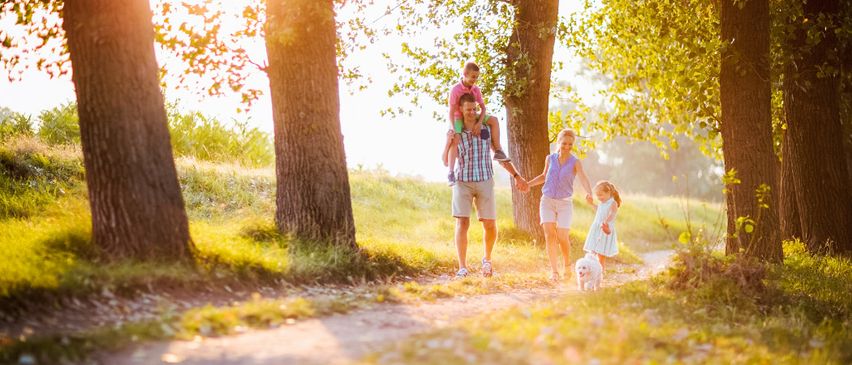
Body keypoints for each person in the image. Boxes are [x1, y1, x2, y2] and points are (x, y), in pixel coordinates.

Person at [450, 93, 527, 278]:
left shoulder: (485, 129)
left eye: (474, 108)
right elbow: (447, 159)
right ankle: (462, 267)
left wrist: (517, 175)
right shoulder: (457, 133)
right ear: (461, 109)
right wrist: (448, 142)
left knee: (490, 224)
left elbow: (500, 155)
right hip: (463, 182)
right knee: (462, 222)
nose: (471, 112)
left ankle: (487, 259)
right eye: (468, 109)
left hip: (485, 180)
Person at [525, 129, 594, 281]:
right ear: (559, 142)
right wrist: (528, 184)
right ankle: (554, 271)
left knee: (562, 236)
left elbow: (582, 177)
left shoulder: (575, 162)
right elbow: (543, 176)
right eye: (564, 143)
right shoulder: (550, 159)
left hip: (564, 203)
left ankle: (567, 265)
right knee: (549, 234)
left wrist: (589, 193)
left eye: (570, 144)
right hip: (547, 201)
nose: (567, 147)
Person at [442, 62, 510, 186]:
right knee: (455, 138)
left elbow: (483, 109)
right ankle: (451, 172)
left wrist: (479, 123)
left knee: (494, 120)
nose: (475, 80)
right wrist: (453, 128)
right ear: (465, 74)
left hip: (474, 114)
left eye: (477, 77)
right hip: (458, 117)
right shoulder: (455, 90)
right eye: (473, 77)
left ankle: (498, 151)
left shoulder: (476, 89)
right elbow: (451, 112)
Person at [583, 180, 622, 274]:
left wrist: (606, 221)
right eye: (597, 195)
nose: (599, 198)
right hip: (597, 228)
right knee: (593, 251)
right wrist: (591, 204)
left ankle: (600, 273)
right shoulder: (602, 202)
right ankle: (592, 271)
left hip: (605, 228)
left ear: (608, 192)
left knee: (601, 254)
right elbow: (599, 210)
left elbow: (612, 213)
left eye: (601, 195)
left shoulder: (613, 203)